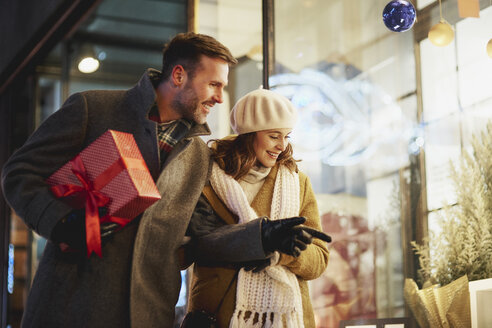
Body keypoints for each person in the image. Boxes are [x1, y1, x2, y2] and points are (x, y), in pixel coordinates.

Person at [1, 32, 237, 328]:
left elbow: (198, 237)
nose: (219, 97)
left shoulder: (200, 157)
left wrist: (259, 237)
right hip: (70, 306)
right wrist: (60, 222)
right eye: (214, 84)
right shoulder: (94, 108)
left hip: (148, 316)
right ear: (178, 75)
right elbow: (20, 172)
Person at [183, 88, 331, 328]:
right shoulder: (206, 177)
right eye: (274, 136)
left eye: (287, 136)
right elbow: (188, 250)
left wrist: (281, 253)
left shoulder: (297, 182)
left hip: (284, 319)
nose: (282, 146)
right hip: (216, 316)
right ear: (249, 133)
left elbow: (319, 260)